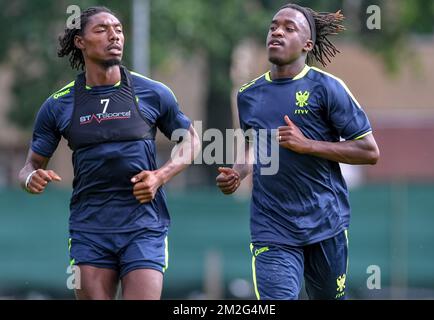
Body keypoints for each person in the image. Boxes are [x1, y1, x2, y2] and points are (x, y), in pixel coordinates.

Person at [18, 6, 200, 300]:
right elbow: (29, 166)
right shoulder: (58, 105)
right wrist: (30, 179)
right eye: (102, 30)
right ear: (80, 41)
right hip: (90, 229)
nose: (114, 35)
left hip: (144, 225)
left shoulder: (153, 92)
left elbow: (191, 141)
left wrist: (160, 176)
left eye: (118, 28)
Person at [216, 4, 379, 300]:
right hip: (272, 227)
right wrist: (238, 172)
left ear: (307, 44)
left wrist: (308, 145)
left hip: (325, 224)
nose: (277, 31)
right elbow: (255, 146)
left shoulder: (328, 88)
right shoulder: (248, 95)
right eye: (273, 26)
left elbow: (369, 151)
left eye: (289, 28)